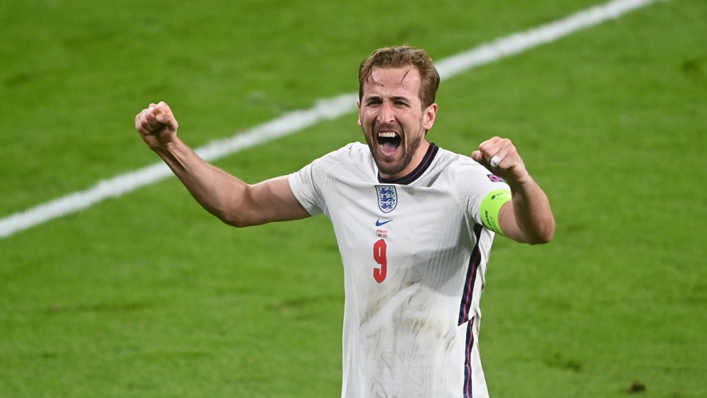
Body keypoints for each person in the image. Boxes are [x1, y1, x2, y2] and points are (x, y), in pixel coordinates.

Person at [135, 46, 555, 398]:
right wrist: (170, 147)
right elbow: (240, 204)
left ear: (428, 116)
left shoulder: (463, 182)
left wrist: (519, 180)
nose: (385, 116)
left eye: (400, 103)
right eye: (374, 102)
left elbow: (536, 230)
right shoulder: (339, 172)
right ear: (359, 111)